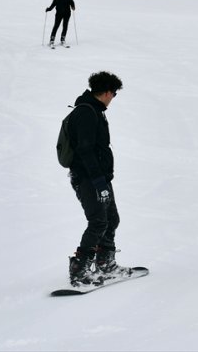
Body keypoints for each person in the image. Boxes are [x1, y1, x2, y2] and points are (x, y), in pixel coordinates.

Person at [65, 71, 131, 287]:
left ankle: (106, 264)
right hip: (88, 178)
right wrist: (99, 182)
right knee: (98, 222)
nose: (113, 98)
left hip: (99, 178)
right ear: (105, 92)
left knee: (111, 219)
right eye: (113, 93)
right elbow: (85, 150)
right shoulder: (86, 113)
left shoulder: (95, 110)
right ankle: (80, 270)